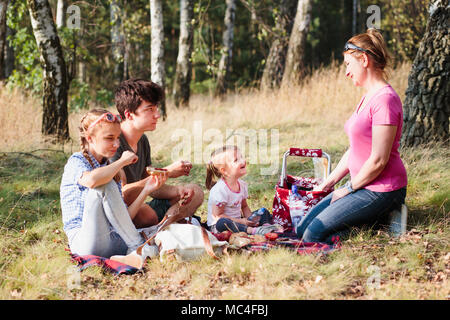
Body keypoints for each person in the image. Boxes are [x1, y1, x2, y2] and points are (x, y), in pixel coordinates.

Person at [296, 29, 407, 244]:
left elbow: (378, 160)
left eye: (348, 64)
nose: (346, 72)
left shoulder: (385, 100)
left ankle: (382, 223)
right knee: (302, 229)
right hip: (361, 184)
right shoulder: (367, 97)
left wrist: (347, 189)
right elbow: (356, 148)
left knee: (314, 235)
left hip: (381, 189)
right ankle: (376, 219)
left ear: (364, 59)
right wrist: (329, 183)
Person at [60, 109, 172, 267]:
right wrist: (120, 162)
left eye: (117, 138)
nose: (116, 144)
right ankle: (138, 247)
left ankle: (133, 251)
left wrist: (146, 189)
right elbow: (92, 180)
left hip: (112, 240)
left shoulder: (109, 169)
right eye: (109, 138)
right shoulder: (76, 162)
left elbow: (124, 218)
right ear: (90, 138)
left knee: (165, 230)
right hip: (84, 243)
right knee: (104, 185)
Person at [110, 79, 204, 228]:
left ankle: (162, 227)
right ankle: (165, 227)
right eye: (149, 109)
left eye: (156, 108)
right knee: (146, 214)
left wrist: (178, 191)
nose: (157, 115)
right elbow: (122, 195)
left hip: (140, 204)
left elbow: (151, 186)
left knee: (195, 191)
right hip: (121, 211)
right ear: (129, 114)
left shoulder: (142, 140)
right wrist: (166, 172)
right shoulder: (113, 143)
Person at [205, 145, 280, 235]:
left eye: (241, 157)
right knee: (222, 222)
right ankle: (251, 231)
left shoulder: (242, 185)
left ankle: (265, 227)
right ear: (224, 171)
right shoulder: (220, 190)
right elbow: (218, 216)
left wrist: (251, 219)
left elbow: (244, 206)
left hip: (239, 221)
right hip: (219, 226)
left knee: (263, 211)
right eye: (236, 160)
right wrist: (241, 221)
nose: (243, 161)